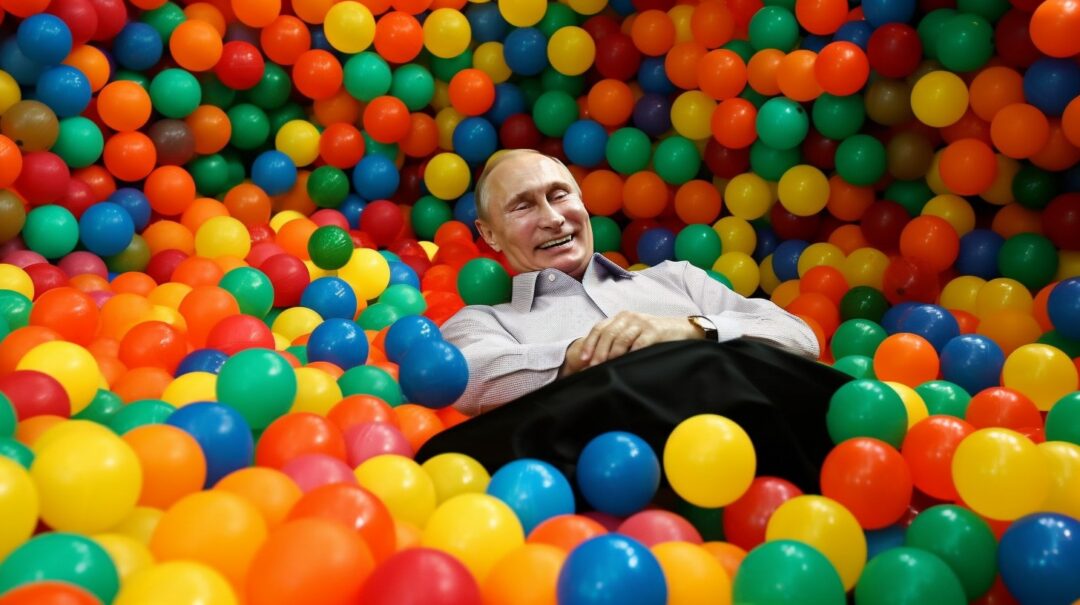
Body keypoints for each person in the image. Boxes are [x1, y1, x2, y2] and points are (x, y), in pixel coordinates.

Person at [441, 149, 820, 417]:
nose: (553, 218)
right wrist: (582, 354)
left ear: (582, 202)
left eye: (559, 195)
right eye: (523, 206)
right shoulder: (484, 322)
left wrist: (687, 330)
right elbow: (468, 376)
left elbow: (800, 339)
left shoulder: (679, 278)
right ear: (489, 235)